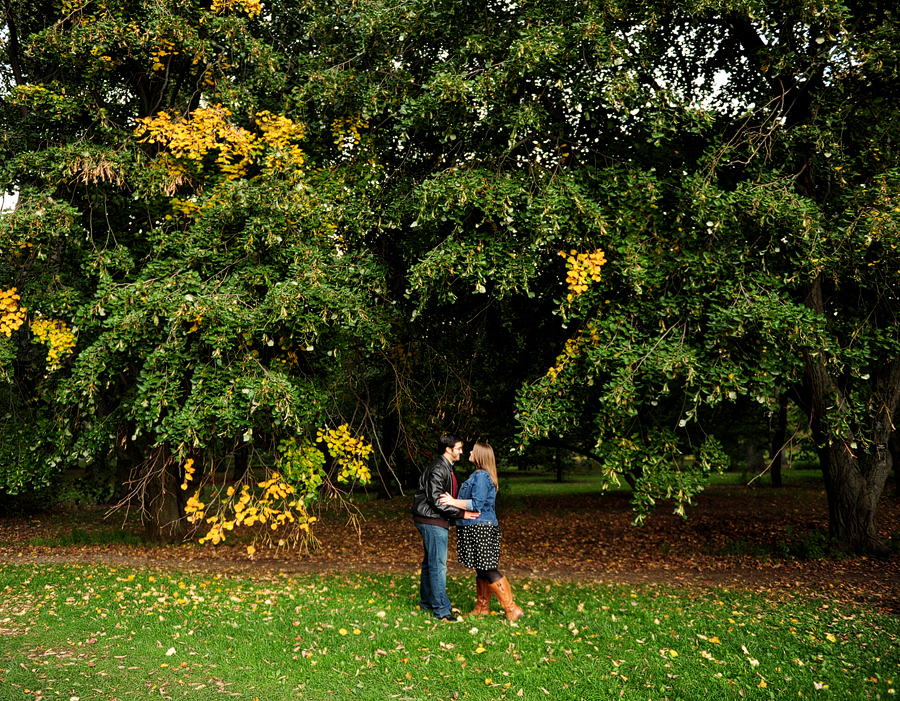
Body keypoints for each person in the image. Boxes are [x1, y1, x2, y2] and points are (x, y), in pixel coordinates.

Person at [439, 441, 523, 622]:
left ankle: (511, 608)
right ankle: (482, 607)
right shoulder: (478, 475)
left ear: (479, 455)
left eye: (472, 450)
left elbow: (476, 504)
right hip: (476, 527)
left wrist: (452, 501)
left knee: (488, 568)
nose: (469, 452)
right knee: (481, 568)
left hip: (481, 528)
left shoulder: (482, 477)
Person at [411, 434, 480, 621]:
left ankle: (427, 603)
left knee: (430, 563)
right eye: (458, 448)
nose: (461, 451)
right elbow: (436, 501)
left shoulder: (445, 466)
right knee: (438, 565)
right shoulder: (438, 468)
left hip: (432, 519)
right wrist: (461, 513)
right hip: (431, 520)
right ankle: (441, 610)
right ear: (448, 450)